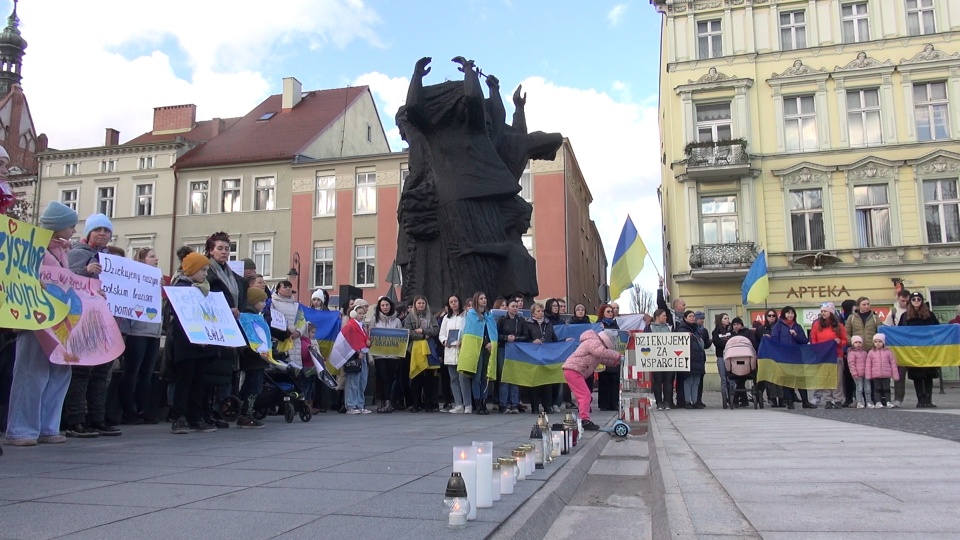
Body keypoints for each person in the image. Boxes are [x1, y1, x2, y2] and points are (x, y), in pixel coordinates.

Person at [4, 202, 79, 446]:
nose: (74, 230)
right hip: (35, 319)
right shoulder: (34, 247)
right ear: (58, 226)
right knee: (31, 373)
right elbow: (19, 275)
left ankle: (48, 426)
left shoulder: (63, 252)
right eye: (71, 225)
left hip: (59, 321)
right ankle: (21, 430)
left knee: (59, 373)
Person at [62, 213, 122, 438]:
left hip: (105, 321)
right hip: (83, 321)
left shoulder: (110, 259)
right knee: (82, 372)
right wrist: (85, 272)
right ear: (88, 233)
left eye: (107, 231)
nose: (103, 234)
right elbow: (64, 280)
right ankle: (76, 420)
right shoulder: (77, 254)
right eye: (98, 230)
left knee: (101, 372)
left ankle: (97, 417)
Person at [169, 253, 219, 434]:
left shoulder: (203, 289)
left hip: (202, 343)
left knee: (199, 381)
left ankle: (194, 417)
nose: (206, 274)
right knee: (185, 381)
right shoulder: (181, 288)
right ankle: (179, 417)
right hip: (187, 344)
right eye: (203, 270)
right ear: (192, 270)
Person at [203, 232, 247, 428]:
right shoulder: (208, 273)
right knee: (213, 370)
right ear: (211, 250)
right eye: (219, 248)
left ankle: (222, 408)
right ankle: (210, 410)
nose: (224, 252)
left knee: (227, 371)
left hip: (232, 327)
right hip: (214, 327)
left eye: (227, 249)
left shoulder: (233, 276)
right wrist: (225, 309)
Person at [117, 247, 163, 425]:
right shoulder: (134, 280)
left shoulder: (157, 281)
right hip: (136, 331)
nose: (156, 259)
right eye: (152, 257)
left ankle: (144, 409)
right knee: (132, 372)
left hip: (153, 331)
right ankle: (129, 410)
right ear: (142, 260)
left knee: (147, 373)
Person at [235, 287, 278, 429]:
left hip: (258, 357)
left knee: (254, 385)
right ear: (253, 302)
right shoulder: (247, 317)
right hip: (253, 357)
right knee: (253, 386)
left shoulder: (256, 316)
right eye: (262, 301)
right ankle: (246, 415)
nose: (264, 303)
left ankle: (246, 413)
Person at [563, 330, 621, 430]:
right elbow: (601, 352)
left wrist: (615, 363)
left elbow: (602, 359)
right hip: (573, 370)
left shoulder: (595, 344)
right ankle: (584, 420)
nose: (606, 348)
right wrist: (618, 356)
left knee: (584, 396)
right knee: (585, 395)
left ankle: (583, 419)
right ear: (606, 341)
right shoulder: (594, 341)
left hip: (574, 371)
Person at [898, 292, 940, 408]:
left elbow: (937, 329)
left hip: (928, 349)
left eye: (919, 299)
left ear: (922, 301)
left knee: (928, 375)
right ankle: (920, 399)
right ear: (910, 301)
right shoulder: (905, 316)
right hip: (913, 350)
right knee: (917, 375)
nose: (916, 301)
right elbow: (900, 332)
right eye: (914, 299)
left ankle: (928, 399)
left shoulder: (929, 315)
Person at [458, 292, 497, 415]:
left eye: (485, 298)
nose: (484, 300)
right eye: (481, 298)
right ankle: (478, 402)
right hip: (477, 349)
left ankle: (484, 402)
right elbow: (474, 331)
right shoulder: (472, 314)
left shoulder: (489, 316)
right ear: (476, 300)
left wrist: (491, 343)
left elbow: (491, 331)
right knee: (477, 376)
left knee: (485, 377)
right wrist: (486, 343)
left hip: (488, 349)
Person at [768, 306, 812, 409]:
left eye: (792, 313)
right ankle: (789, 402)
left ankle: (805, 402)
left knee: (800, 379)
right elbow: (774, 340)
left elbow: (805, 340)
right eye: (788, 313)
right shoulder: (778, 326)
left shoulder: (797, 326)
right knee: (786, 379)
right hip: (784, 357)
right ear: (784, 314)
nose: (790, 315)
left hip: (796, 356)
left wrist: (796, 335)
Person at [405, 295, 440, 412]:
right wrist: (423, 336)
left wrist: (423, 330)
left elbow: (436, 330)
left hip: (429, 349)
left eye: (423, 303)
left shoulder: (431, 316)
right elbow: (408, 332)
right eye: (419, 303)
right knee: (416, 377)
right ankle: (416, 404)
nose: (421, 305)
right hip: (414, 349)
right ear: (415, 304)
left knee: (429, 378)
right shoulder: (410, 317)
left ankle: (428, 403)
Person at [845, 296, 882, 406]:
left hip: (871, 351)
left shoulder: (875, 317)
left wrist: (878, 344)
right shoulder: (852, 318)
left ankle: (873, 398)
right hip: (857, 352)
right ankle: (858, 399)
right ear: (858, 306)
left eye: (868, 304)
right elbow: (847, 332)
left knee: (872, 376)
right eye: (864, 304)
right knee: (857, 376)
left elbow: (880, 331)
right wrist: (852, 343)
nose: (866, 306)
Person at [810, 303, 848, 409]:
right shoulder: (817, 325)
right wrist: (817, 348)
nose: (823, 313)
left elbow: (845, 340)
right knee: (825, 378)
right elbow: (813, 338)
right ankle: (828, 399)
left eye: (825, 311)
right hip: (823, 356)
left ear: (831, 312)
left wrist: (839, 341)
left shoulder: (839, 326)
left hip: (836, 354)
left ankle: (838, 399)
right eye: (821, 311)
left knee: (837, 378)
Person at [496, 299, 530, 414]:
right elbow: (497, 335)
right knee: (504, 377)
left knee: (515, 377)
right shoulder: (501, 320)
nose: (515, 308)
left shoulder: (521, 321)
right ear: (508, 308)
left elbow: (526, 335)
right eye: (513, 306)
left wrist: (516, 338)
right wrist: (506, 338)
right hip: (503, 349)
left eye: (516, 306)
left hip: (516, 350)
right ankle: (503, 404)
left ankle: (514, 404)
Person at [371, 296, 403, 413]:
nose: (385, 307)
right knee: (382, 377)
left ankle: (388, 401)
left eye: (387, 305)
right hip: (379, 355)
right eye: (382, 305)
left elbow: (400, 338)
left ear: (391, 306)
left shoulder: (397, 321)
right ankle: (385, 401)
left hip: (393, 355)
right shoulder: (375, 320)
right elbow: (371, 334)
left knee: (390, 378)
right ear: (379, 307)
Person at [526, 302, 558, 414]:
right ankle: (535, 407)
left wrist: (565, 342)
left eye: (542, 311)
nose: (541, 313)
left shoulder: (548, 324)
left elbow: (554, 339)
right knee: (534, 382)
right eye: (538, 311)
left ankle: (547, 406)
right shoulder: (527, 324)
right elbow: (524, 339)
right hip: (533, 356)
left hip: (547, 356)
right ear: (533, 313)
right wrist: (532, 341)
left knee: (547, 382)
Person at [440, 295, 468, 413]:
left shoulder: (466, 316)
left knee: (464, 379)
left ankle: (467, 404)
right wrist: (445, 341)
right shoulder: (447, 318)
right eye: (451, 302)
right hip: (450, 351)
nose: (453, 303)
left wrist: (463, 341)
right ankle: (458, 404)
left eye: (455, 301)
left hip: (463, 350)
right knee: (453, 379)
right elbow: (441, 334)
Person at [343, 299, 372, 414]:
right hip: (354, 355)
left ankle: (360, 404)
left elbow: (363, 339)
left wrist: (368, 343)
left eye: (362, 313)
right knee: (353, 381)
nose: (361, 315)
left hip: (363, 354)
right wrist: (357, 350)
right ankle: (350, 405)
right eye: (359, 313)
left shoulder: (362, 326)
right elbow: (350, 340)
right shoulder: (350, 325)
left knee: (362, 381)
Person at [676, 310, 709, 408]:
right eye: (690, 316)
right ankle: (687, 401)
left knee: (696, 382)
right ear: (685, 318)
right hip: (688, 359)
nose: (692, 318)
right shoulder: (681, 329)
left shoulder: (697, 329)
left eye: (693, 316)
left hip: (698, 358)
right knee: (688, 381)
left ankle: (695, 401)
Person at [885, 289, 912, 407]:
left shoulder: (915, 310)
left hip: (914, 347)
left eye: (907, 301)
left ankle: (924, 399)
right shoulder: (893, 312)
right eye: (902, 301)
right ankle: (898, 399)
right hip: (899, 348)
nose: (905, 303)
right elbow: (887, 329)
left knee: (919, 374)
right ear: (898, 298)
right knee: (899, 375)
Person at [595, 304, 620, 411]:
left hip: (613, 353)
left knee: (614, 380)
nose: (610, 313)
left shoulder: (615, 324)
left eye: (611, 311)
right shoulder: (599, 324)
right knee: (604, 380)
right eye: (608, 311)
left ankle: (614, 403)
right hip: (603, 353)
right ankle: (604, 404)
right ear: (603, 313)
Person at [648, 309, 674, 411]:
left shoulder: (669, 327)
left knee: (668, 381)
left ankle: (667, 402)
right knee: (657, 381)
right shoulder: (649, 328)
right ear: (657, 317)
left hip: (668, 358)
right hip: (655, 358)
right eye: (664, 315)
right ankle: (659, 402)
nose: (666, 317)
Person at [865, 333, 899, 408]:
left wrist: (895, 375)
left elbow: (893, 363)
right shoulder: (871, 352)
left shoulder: (888, 352)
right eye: (875, 341)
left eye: (880, 341)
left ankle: (888, 401)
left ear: (883, 342)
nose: (877, 343)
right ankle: (878, 401)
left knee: (887, 389)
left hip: (886, 374)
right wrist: (868, 374)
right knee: (877, 389)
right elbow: (868, 364)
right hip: (876, 374)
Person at [712, 313, 733, 409]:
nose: (727, 320)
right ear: (720, 320)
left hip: (731, 357)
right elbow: (717, 343)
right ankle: (725, 398)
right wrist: (727, 342)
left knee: (731, 378)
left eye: (728, 318)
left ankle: (732, 397)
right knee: (723, 378)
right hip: (721, 356)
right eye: (725, 318)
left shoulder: (731, 330)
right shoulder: (716, 331)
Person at [847, 336, 868, 408]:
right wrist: (854, 373)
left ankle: (868, 402)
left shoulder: (864, 352)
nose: (858, 344)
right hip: (857, 374)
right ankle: (859, 402)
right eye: (856, 342)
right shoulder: (851, 353)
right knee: (859, 388)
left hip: (865, 374)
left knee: (867, 388)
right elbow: (851, 364)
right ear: (853, 344)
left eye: (859, 342)